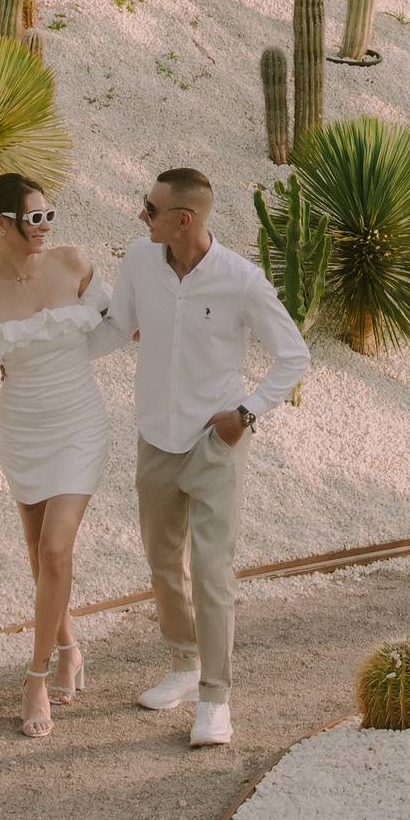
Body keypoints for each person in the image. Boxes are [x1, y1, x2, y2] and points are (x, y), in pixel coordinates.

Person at [92, 168, 308, 749]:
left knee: (211, 572)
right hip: (154, 440)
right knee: (164, 564)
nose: (142, 215)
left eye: (151, 208)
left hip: (214, 444)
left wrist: (248, 412)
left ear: (182, 220)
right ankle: (183, 665)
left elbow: (293, 354)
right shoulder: (141, 259)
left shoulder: (241, 280)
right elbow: (118, 328)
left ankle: (215, 698)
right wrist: (50, 356)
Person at [0, 173, 114, 738]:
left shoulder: (73, 264)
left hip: (79, 423)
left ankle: (35, 677)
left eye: (49, 216)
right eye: (34, 217)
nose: (46, 227)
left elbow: (121, 323)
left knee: (55, 547)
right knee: (41, 556)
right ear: (1, 223)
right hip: (23, 431)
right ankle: (69, 646)